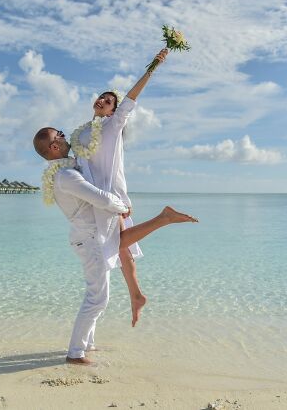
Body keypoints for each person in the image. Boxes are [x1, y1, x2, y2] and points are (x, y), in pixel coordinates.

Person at [33, 127, 197, 365]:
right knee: (97, 298)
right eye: (58, 135)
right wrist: (122, 206)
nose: (63, 134)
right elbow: (100, 198)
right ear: (54, 147)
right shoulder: (66, 176)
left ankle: (86, 344)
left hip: (91, 236)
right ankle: (75, 353)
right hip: (90, 240)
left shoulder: (65, 171)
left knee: (99, 289)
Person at [70, 48, 168, 327]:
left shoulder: (112, 127)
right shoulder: (81, 133)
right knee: (123, 249)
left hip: (111, 197)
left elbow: (132, 98)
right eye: (102, 97)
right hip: (93, 198)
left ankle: (137, 294)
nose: (103, 100)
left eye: (110, 100)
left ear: (114, 111)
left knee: (121, 245)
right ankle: (136, 296)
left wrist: (153, 67)